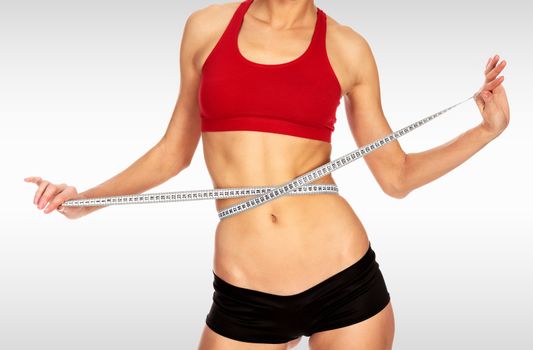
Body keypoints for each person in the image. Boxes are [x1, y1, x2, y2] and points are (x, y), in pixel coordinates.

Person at [25, 0, 509, 349]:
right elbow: (173, 152)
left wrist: (486, 132)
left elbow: (396, 176)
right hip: (244, 295)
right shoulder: (206, 28)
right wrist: (84, 200)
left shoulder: (346, 46)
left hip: (344, 281)